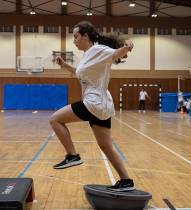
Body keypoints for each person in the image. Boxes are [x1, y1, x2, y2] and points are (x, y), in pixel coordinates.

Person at [50, 21, 135, 192]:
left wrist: (127, 47)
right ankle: (126, 180)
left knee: (55, 120)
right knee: (105, 145)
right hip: (101, 105)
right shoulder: (89, 54)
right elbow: (81, 73)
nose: (74, 41)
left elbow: (115, 54)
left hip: (93, 102)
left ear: (85, 36)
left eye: (76, 37)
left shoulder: (97, 50)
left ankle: (72, 156)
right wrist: (65, 65)